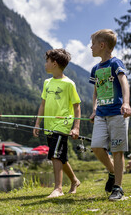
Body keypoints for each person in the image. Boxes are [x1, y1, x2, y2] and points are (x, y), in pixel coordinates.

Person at [88, 29, 131, 201]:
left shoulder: (115, 63)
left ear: (102, 45)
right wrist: (94, 109)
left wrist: (126, 103)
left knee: (117, 150)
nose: (90, 47)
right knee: (97, 147)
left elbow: (124, 83)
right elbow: (95, 92)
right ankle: (113, 171)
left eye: (92, 44)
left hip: (117, 113)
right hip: (101, 114)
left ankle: (118, 188)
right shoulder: (95, 68)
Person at [33, 48, 81, 198]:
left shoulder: (69, 84)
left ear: (54, 63)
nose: (45, 64)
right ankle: (74, 180)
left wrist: (76, 127)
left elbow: (77, 106)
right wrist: (37, 123)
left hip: (62, 125)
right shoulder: (47, 83)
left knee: (55, 155)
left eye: (47, 61)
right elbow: (43, 104)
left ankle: (58, 188)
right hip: (49, 125)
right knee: (60, 155)